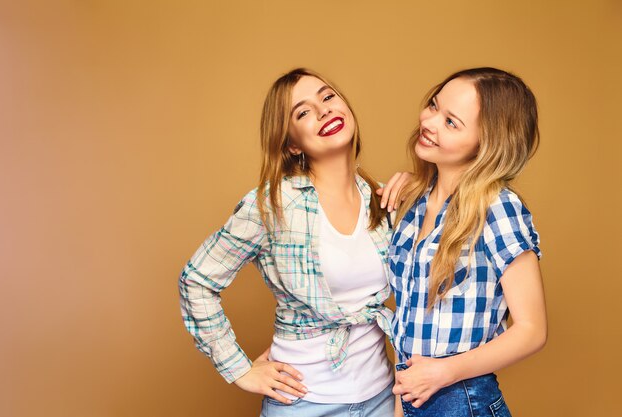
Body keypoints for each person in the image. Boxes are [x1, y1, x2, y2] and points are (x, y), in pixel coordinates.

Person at [179, 67, 409, 417]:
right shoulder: (274, 203)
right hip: (303, 405)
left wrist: (423, 182)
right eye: (303, 112)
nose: (323, 110)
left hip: (382, 397)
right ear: (291, 143)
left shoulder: (383, 200)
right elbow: (196, 280)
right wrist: (238, 368)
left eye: (328, 97)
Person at [389, 67, 547, 417]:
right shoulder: (415, 201)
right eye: (433, 106)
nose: (429, 122)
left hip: (462, 401)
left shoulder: (499, 207)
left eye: (451, 122)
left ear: (486, 144)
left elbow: (532, 330)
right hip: (412, 395)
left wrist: (443, 371)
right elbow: (410, 316)